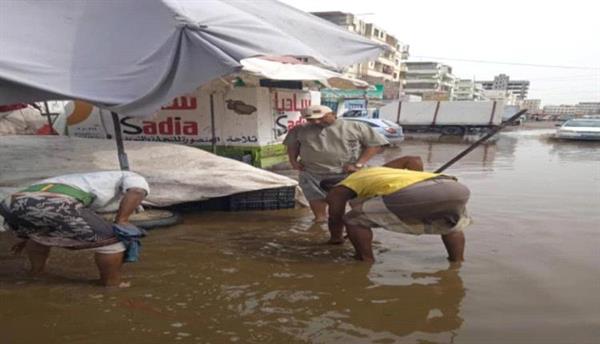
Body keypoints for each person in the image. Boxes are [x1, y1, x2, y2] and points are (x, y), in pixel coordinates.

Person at [0, 171, 150, 286]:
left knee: (39, 235)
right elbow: (137, 191)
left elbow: (32, 205)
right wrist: (122, 220)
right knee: (112, 240)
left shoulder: (81, 179)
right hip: (53, 202)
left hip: (10, 203)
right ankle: (112, 285)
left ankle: (36, 273)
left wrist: (26, 236)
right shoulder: (132, 176)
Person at [325, 156, 471, 262]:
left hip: (415, 192)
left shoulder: (339, 188)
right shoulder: (375, 172)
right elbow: (414, 159)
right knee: (451, 224)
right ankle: (457, 261)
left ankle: (365, 260)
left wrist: (336, 239)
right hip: (454, 187)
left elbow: (336, 217)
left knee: (353, 219)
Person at [283, 105, 388, 223]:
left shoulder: (356, 126)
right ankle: (320, 222)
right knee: (315, 199)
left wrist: (359, 164)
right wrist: (293, 161)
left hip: (348, 173)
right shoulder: (299, 129)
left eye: (321, 118)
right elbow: (292, 146)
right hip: (311, 172)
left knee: (357, 203)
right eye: (311, 119)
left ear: (333, 114)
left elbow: (374, 145)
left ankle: (358, 224)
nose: (316, 122)